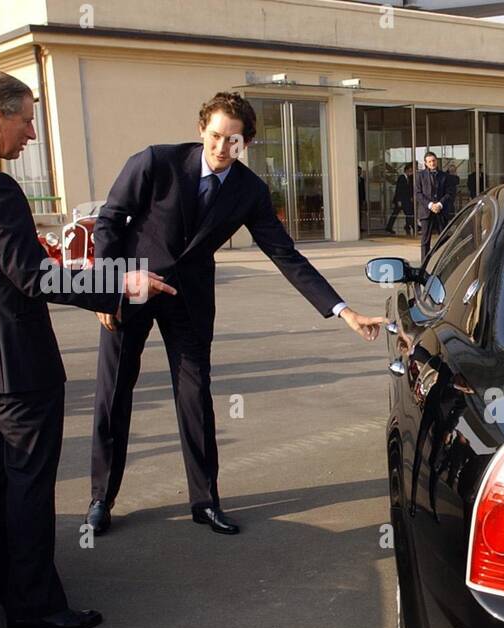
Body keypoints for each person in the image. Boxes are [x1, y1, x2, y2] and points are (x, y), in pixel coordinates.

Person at [0, 70, 172, 628]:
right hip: (16, 369)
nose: (31, 132)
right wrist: (122, 283)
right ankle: (32, 607)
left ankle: (10, 588)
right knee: (28, 485)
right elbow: (33, 275)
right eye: (27, 119)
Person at [85, 91, 384, 538]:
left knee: (195, 397)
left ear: (247, 144)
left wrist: (343, 311)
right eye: (215, 137)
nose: (222, 149)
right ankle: (100, 499)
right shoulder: (155, 162)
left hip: (190, 301)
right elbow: (110, 220)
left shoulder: (249, 191)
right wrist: (107, 291)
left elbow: (285, 255)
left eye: (234, 141)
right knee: (114, 394)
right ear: (201, 130)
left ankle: (205, 502)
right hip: (132, 291)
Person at [414, 151, 450, 263]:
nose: (432, 163)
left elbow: (449, 193)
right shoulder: (420, 175)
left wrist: (439, 204)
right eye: (429, 161)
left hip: (441, 211)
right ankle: (424, 264)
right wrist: (430, 205)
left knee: (444, 239)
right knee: (425, 241)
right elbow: (418, 193)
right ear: (425, 163)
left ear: (437, 161)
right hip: (426, 211)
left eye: (433, 160)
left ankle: (443, 262)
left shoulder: (445, 176)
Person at [385, 163, 414, 235]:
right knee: (395, 214)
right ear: (406, 170)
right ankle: (389, 227)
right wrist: (398, 200)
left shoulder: (409, 178)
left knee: (409, 213)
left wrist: (411, 197)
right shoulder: (401, 178)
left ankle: (409, 226)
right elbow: (399, 190)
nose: (411, 173)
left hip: (406, 200)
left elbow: (409, 189)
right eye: (410, 171)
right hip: (401, 200)